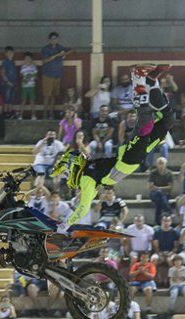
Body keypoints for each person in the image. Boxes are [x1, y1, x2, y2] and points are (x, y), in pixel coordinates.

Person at [51, 64, 177, 230]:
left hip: (129, 156)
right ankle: (151, 81)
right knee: (168, 118)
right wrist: (64, 226)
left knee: (146, 122)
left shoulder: (87, 165)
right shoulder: (87, 181)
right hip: (130, 160)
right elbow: (82, 210)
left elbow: (82, 152)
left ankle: (138, 78)